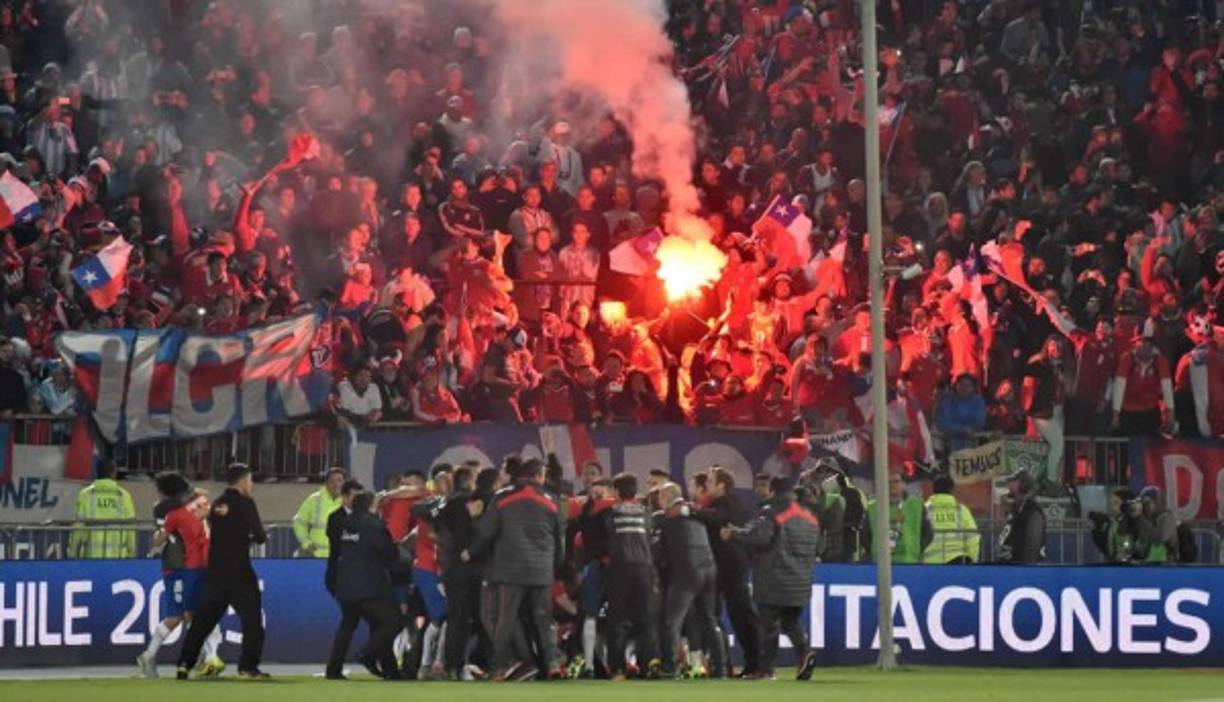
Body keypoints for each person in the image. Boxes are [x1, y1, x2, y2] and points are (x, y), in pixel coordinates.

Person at [467, 458, 563, 681]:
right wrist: (556, 566)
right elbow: (560, 539)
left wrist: (475, 522)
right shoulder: (551, 500)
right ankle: (552, 664)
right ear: (539, 476)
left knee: (505, 619)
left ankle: (499, 669)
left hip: (510, 569)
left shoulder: (503, 497)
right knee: (544, 620)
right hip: (542, 569)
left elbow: (486, 532)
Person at [722, 477, 820, 681]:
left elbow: (760, 537)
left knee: (768, 625)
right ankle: (804, 652)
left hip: (774, 577)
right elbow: (819, 547)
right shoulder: (810, 515)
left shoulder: (771, 511)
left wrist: (734, 533)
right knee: (791, 622)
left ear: (773, 491)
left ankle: (766, 670)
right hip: (801, 579)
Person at [176, 463, 269, 680]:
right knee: (252, 621)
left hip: (216, 572)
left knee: (202, 622)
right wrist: (252, 538)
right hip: (240, 572)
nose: (252, 485)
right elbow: (259, 534)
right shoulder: (245, 503)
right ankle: (247, 667)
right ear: (242, 480)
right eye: (250, 480)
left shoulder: (217, 504)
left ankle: (184, 664)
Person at [138, 477, 222, 678]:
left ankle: (205, 658)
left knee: (192, 613)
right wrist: (192, 492)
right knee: (182, 615)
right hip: (179, 566)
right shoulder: (170, 507)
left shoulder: (173, 507)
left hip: (189, 565)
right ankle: (204, 657)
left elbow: (162, 537)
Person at [654, 482, 726, 679]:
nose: (658, 500)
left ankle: (669, 668)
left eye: (660, 496)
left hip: (687, 571)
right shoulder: (695, 513)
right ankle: (720, 668)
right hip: (709, 568)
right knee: (710, 620)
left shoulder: (665, 517)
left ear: (667, 497)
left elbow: (658, 549)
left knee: (672, 621)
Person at [694, 466, 761, 677]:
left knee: (742, 615)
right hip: (728, 567)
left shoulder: (726, 504)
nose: (707, 485)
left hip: (732, 566)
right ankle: (749, 663)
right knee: (736, 615)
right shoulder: (726, 503)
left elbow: (717, 518)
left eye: (711, 481)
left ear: (721, 485)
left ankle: (757, 663)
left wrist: (691, 510)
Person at [333, 490, 405, 679]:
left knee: (352, 626)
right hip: (369, 586)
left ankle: (334, 670)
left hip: (346, 585)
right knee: (394, 622)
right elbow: (390, 553)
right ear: (371, 506)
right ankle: (367, 653)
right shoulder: (374, 525)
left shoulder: (344, 524)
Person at [600, 473, 659, 680]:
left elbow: (602, 541)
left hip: (620, 569)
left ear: (616, 491)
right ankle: (650, 665)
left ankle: (617, 669)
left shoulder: (610, 513)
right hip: (645, 569)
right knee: (645, 619)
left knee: (617, 620)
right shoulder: (647, 513)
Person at [324, 478, 367, 679]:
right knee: (354, 621)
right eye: (355, 497)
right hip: (342, 579)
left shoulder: (363, 517)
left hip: (357, 579)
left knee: (351, 622)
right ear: (344, 497)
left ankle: (335, 668)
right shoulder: (335, 518)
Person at [69, 459, 135, 559]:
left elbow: (78, 527)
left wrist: (73, 553)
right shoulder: (124, 496)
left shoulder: (85, 494)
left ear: (96, 472)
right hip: (118, 557)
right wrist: (131, 553)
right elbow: (130, 528)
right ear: (114, 473)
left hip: (91, 556)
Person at [868, 472, 931, 564]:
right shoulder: (873, 507)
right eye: (888, 482)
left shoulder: (916, 505)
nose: (892, 485)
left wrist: (915, 547)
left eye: (896, 481)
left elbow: (928, 533)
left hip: (909, 561)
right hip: (881, 563)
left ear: (903, 485)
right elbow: (865, 535)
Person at [922, 475, 980, 564]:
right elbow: (973, 538)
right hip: (958, 561)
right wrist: (973, 560)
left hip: (930, 563)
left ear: (933, 490)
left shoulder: (924, 510)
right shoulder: (961, 510)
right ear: (952, 490)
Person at [293, 467, 345, 558]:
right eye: (332, 481)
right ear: (326, 483)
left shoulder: (348, 502)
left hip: (339, 557)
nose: (336, 484)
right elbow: (298, 522)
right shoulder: (314, 499)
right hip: (315, 556)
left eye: (339, 480)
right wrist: (306, 544)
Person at [996, 471, 1046, 564]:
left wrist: (1026, 567)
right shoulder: (1016, 507)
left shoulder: (1031, 509)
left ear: (1023, 484)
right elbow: (1003, 527)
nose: (1009, 486)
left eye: (1013, 482)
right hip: (1007, 564)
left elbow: (1033, 542)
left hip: (1020, 567)